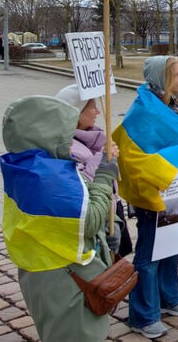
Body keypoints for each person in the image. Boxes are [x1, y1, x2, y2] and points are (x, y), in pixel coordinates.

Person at [0, 96, 118, 342]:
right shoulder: (50, 177)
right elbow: (90, 220)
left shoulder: (25, 165)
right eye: (63, 129)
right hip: (65, 281)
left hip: (41, 274)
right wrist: (105, 175)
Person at [115, 56, 178, 339]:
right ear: (160, 79)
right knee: (149, 255)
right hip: (154, 193)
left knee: (171, 246)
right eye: (175, 74)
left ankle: (168, 296)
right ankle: (143, 314)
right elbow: (132, 157)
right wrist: (177, 160)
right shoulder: (143, 111)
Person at [54, 85, 132, 257]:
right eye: (92, 107)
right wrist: (102, 158)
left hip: (111, 210)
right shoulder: (67, 148)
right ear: (76, 114)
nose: (98, 112)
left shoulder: (91, 138)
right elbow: (84, 186)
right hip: (97, 219)